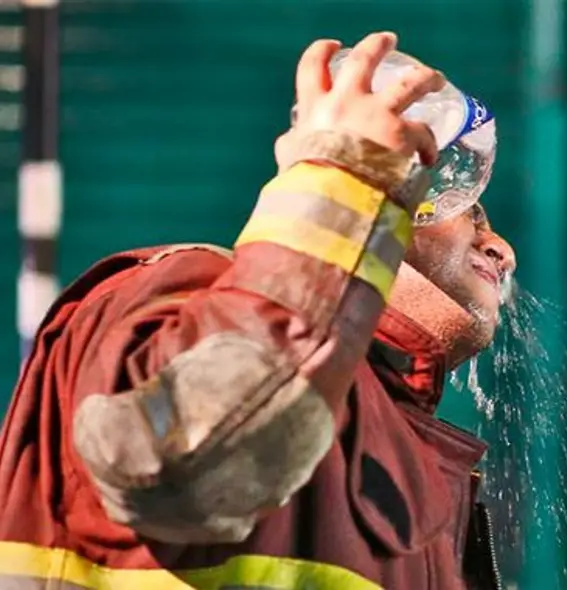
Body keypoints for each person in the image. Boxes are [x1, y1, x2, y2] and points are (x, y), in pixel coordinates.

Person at [0, 32, 513, 590]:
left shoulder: (393, 433)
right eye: (474, 215)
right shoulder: (172, 290)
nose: (503, 249)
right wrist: (348, 177)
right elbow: (183, 462)